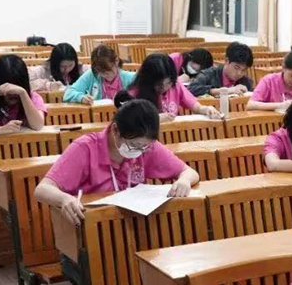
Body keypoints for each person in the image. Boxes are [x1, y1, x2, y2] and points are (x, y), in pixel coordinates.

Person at [34, 99, 200, 226]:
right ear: (115, 130)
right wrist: (64, 199)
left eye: (145, 146)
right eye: (134, 144)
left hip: (135, 225)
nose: (139, 150)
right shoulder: (85, 148)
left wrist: (184, 180)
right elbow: (42, 189)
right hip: (93, 227)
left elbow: (189, 172)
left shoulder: (146, 147)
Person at [127, 53, 221, 121]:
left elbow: (196, 107)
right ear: (148, 81)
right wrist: (154, 119)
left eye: (168, 83)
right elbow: (131, 124)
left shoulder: (175, 85)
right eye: (159, 85)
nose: (165, 88)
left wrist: (206, 109)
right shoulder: (134, 93)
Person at [64, 45, 135, 104]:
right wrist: (81, 97)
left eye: (108, 71)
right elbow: (68, 94)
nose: (105, 75)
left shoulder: (131, 78)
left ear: (116, 61)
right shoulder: (92, 75)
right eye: (101, 72)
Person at [187, 42, 254, 97]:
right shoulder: (208, 75)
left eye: (243, 70)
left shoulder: (246, 82)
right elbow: (190, 90)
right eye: (236, 68)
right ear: (226, 61)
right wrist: (222, 91)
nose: (239, 73)